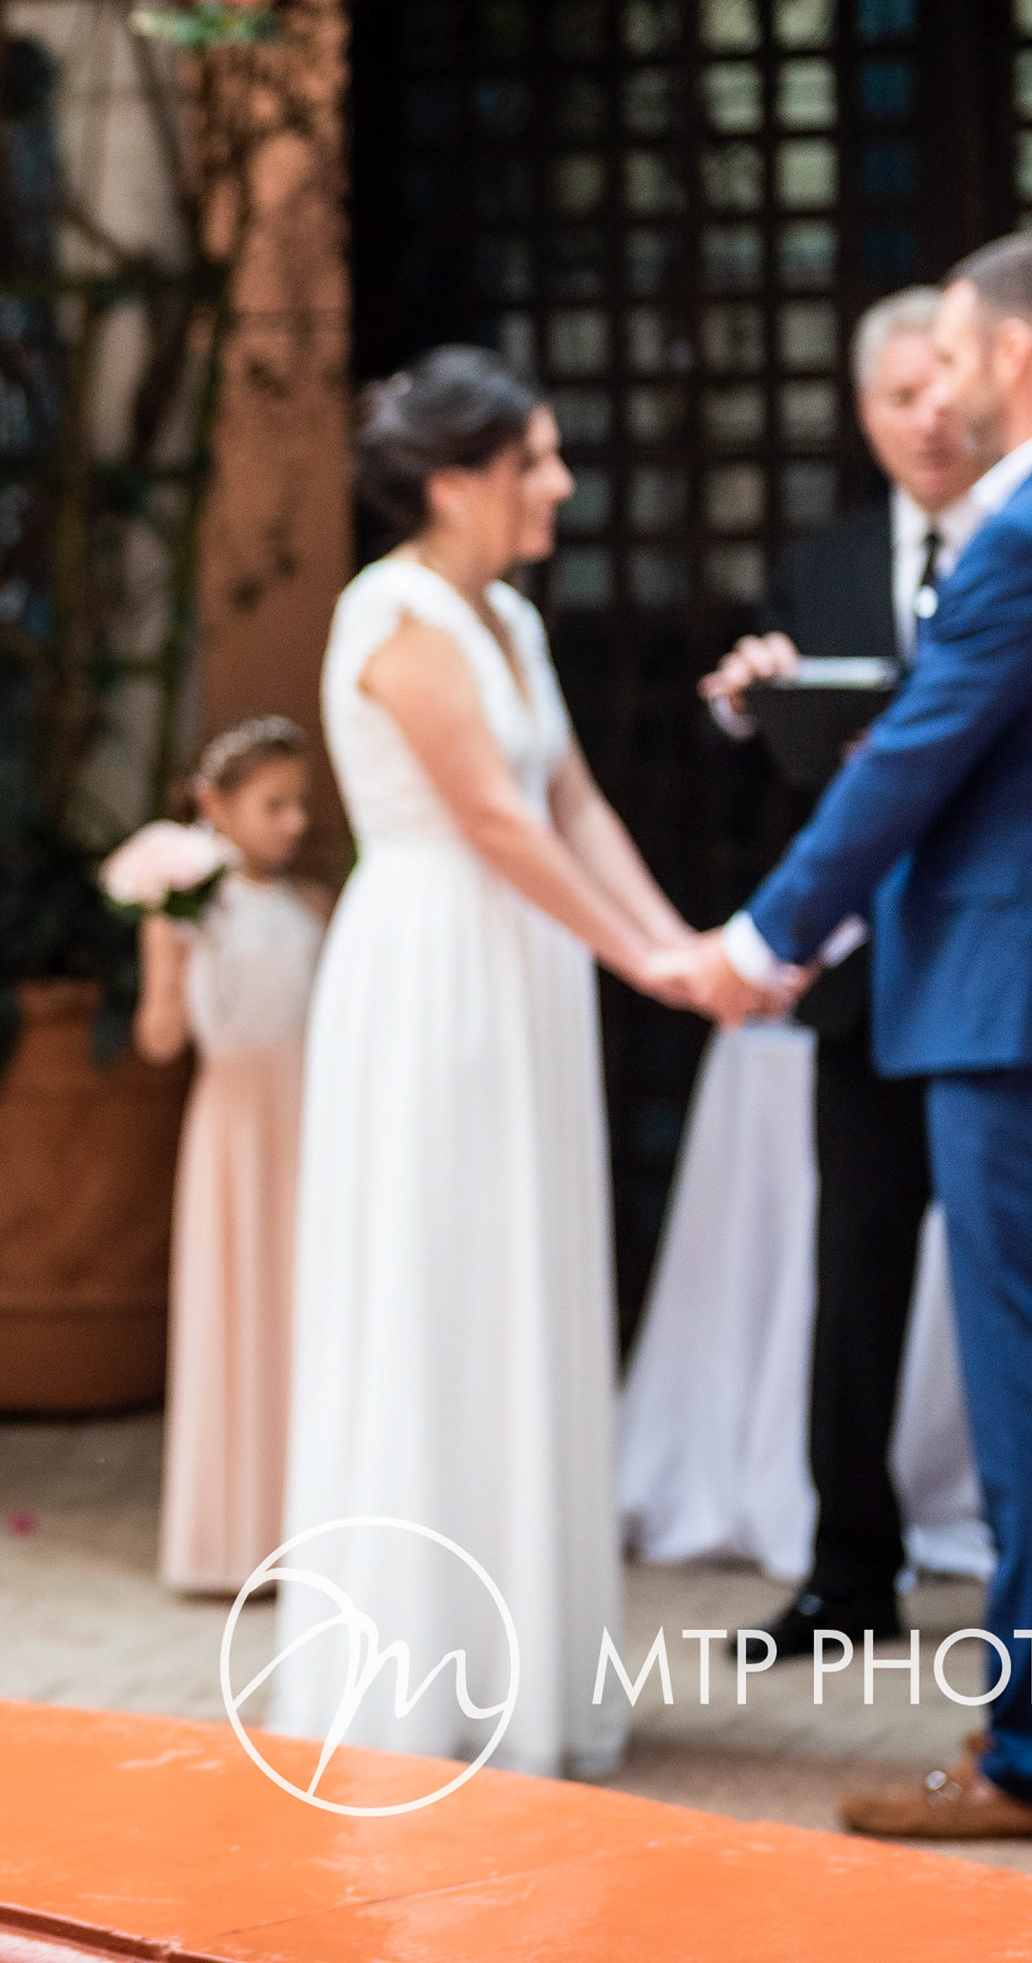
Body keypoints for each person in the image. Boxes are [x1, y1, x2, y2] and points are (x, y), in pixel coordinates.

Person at [657, 236, 1032, 1840]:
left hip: (1007, 994)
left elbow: (907, 763)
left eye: (952, 357)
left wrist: (762, 937)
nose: (938, 391)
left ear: (1017, 351)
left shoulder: (1025, 539)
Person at [269, 348, 720, 1782]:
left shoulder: (509, 616)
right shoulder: (391, 614)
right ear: (457, 483)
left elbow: (572, 804)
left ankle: (523, 1663)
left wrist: (683, 944)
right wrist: (643, 961)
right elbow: (493, 821)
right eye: (537, 460)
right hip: (430, 977)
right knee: (433, 1280)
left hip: (524, 971)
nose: (561, 485)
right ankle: (416, 1674)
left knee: (523, 1276)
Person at [693, 287, 987, 1661]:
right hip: (865, 979)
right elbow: (766, 773)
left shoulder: (1026, 544)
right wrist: (746, 705)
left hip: (991, 965)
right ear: (864, 414)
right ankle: (850, 1569)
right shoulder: (822, 568)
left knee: (1021, 1276)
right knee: (856, 1270)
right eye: (897, 397)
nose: (926, 419)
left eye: (942, 389)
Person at [129, 718, 330, 1595]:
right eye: (273, 804)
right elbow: (159, 1040)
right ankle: (228, 1541)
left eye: (299, 804)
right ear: (215, 806)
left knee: (304, 1317)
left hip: (311, 1121)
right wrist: (169, 939)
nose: (293, 822)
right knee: (234, 1313)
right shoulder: (189, 911)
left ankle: (312, 1530)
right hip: (233, 1126)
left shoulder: (312, 904)